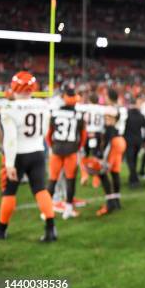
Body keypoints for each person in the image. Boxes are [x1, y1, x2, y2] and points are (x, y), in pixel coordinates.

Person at [0, 72, 56, 241]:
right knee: (41, 190)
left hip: (18, 155)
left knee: (9, 192)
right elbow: (44, 131)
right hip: (37, 151)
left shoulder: (9, 107)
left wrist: (9, 163)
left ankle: (1, 229)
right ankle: (51, 229)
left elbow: (10, 139)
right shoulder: (42, 104)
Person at [46, 87, 87, 219]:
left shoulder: (55, 113)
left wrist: (52, 146)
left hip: (57, 150)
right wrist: (77, 147)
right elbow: (83, 136)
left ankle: (45, 210)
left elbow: (48, 135)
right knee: (70, 180)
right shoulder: (79, 115)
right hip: (71, 151)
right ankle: (68, 208)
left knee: (52, 179)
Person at [123, 96, 145, 187]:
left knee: (130, 161)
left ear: (129, 104)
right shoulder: (141, 115)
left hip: (128, 141)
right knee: (135, 160)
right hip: (138, 141)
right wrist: (144, 140)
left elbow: (123, 129)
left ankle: (134, 180)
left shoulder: (126, 115)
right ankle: (132, 179)